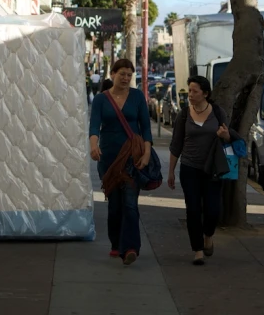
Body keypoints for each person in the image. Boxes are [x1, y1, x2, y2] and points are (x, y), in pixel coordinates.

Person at [167, 75, 240, 265]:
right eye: (189, 90)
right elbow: (176, 145)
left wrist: (225, 136)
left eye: (194, 91)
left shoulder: (218, 112)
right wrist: (170, 172)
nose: (190, 94)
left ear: (205, 93)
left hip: (213, 169)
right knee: (192, 209)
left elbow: (228, 137)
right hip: (189, 167)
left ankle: (208, 235)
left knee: (212, 209)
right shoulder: (183, 115)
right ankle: (198, 250)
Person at [89, 59, 153, 265]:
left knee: (130, 203)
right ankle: (116, 243)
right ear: (113, 74)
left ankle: (131, 248)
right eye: (122, 74)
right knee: (115, 205)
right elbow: (94, 126)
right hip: (108, 158)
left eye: (129, 75)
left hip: (132, 158)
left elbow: (146, 127)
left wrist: (147, 153)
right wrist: (93, 145)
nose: (126, 78)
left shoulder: (137, 97)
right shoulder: (101, 99)